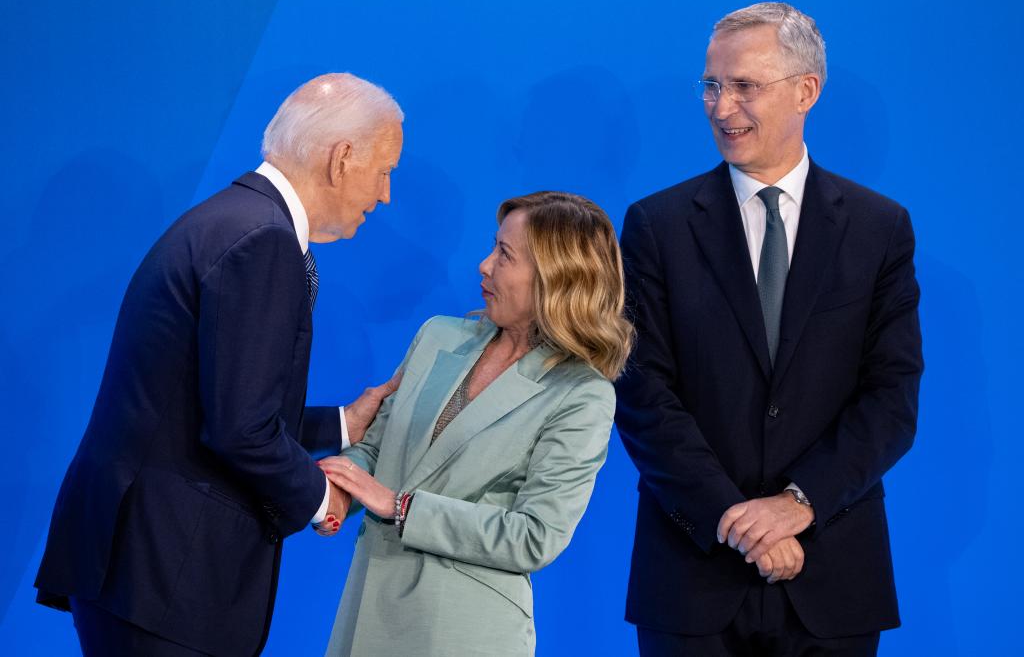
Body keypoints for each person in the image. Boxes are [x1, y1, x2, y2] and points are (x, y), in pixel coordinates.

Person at [35, 73, 405, 656]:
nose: (385, 193)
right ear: (342, 159)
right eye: (384, 170)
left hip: (137, 569)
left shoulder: (233, 219)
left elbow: (208, 399)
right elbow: (239, 428)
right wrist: (319, 498)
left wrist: (340, 425)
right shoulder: (264, 241)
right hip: (166, 578)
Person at [615, 2, 923, 656]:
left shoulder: (879, 229)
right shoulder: (656, 226)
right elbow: (642, 395)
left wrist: (798, 503)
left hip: (832, 574)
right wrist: (733, 516)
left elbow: (890, 401)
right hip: (691, 576)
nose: (721, 108)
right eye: (711, 85)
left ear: (806, 90)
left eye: (745, 86)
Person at [317, 191, 633, 656]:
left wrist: (401, 507)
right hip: (367, 609)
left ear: (556, 279)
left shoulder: (581, 396)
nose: (484, 265)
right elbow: (377, 447)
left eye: (505, 255)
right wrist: (338, 494)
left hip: (464, 631)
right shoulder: (437, 335)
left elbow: (534, 536)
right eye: (493, 247)